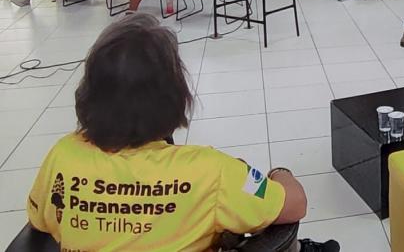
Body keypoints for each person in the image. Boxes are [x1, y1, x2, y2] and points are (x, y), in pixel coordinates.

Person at [26, 14, 337, 252]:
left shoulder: (63, 154)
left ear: (89, 92)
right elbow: (295, 204)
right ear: (175, 96)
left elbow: (42, 222)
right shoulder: (209, 170)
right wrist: (280, 173)